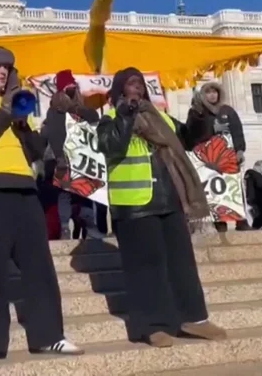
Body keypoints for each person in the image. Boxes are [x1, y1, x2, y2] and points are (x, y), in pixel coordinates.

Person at [0, 46, 82, 369]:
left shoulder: (20, 106)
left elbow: (38, 151)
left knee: (40, 267)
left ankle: (49, 336)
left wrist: (23, 124)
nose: (2, 71)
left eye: (7, 67)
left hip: (25, 190)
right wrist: (3, 113)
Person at [96, 67, 226, 348]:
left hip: (170, 199)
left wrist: (201, 112)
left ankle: (194, 318)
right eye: (131, 84)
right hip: (134, 204)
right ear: (119, 90)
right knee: (146, 268)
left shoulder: (161, 117)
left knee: (182, 264)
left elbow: (189, 138)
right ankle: (152, 326)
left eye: (140, 84)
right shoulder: (110, 118)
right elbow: (111, 146)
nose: (137, 88)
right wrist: (126, 114)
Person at [44, 69, 101, 239]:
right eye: (67, 86)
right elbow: (54, 134)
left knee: (85, 193)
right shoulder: (55, 111)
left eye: (72, 85)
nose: (71, 88)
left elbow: (94, 117)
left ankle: (90, 226)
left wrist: (76, 109)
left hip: (82, 158)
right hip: (64, 157)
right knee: (65, 194)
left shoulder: (80, 108)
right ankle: (65, 228)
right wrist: (59, 157)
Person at [185, 82, 248, 231]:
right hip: (208, 158)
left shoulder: (228, 111)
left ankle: (241, 221)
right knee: (214, 191)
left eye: (215, 92)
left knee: (234, 188)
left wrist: (240, 150)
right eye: (208, 92)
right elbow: (191, 134)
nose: (212, 95)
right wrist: (212, 128)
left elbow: (237, 131)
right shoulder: (197, 112)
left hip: (228, 157)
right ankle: (219, 222)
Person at [244, 160, 262, 229]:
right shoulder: (257, 175)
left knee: (257, 215)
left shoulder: (249, 175)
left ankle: (257, 227)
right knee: (261, 215)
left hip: (251, 198)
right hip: (259, 198)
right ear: (260, 166)